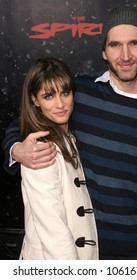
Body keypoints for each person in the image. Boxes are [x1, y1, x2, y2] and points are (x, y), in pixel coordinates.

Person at [2, 7, 137, 259]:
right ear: (104, 52)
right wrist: (16, 149)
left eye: (134, 43)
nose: (125, 55)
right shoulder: (80, 92)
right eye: (115, 45)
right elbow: (29, 119)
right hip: (90, 251)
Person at [13, 57, 98, 260]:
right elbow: (53, 229)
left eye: (65, 93)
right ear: (35, 100)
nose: (60, 104)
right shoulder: (39, 150)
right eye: (49, 96)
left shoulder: (68, 136)